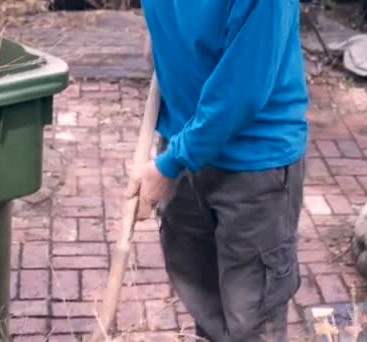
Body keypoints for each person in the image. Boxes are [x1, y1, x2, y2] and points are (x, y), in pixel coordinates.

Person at [129, 1, 309, 341]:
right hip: (184, 146)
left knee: (251, 323)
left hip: (254, 166)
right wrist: (159, 35)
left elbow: (241, 90)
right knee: (205, 306)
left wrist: (169, 164)